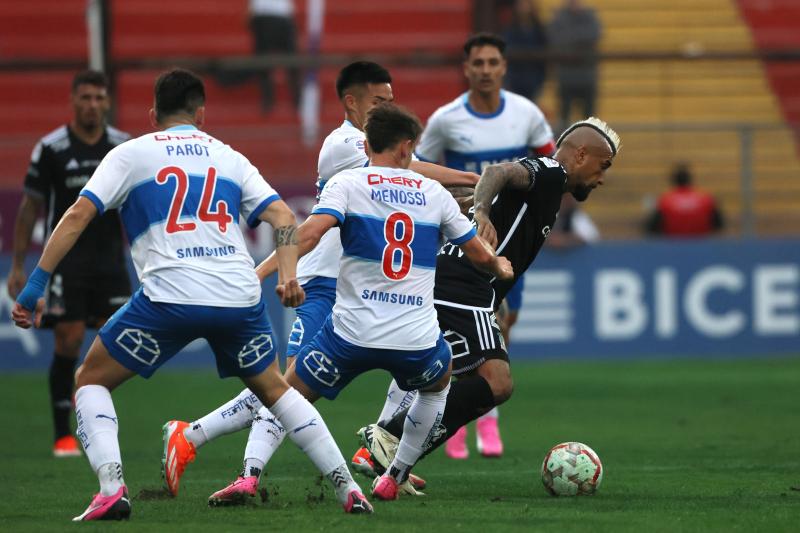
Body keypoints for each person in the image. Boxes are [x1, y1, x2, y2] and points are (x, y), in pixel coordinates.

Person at [11, 68, 372, 520]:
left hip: (169, 297)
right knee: (279, 392)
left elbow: (78, 214)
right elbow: (283, 216)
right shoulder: (229, 157)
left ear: (153, 114)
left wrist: (37, 282)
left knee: (89, 379)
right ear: (201, 113)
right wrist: (287, 274)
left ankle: (111, 489)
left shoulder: (131, 153)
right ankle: (348, 490)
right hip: (239, 299)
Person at [159, 61, 479, 504]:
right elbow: (416, 171)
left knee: (322, 384)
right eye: (379, 101)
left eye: (391, 100)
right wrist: (478, 180)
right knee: (287, 389)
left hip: (356, 288)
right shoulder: (344, 143)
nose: (388, 107)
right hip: (320, 286)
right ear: (352, 102)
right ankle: (204, 444)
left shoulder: (374, 152)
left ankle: (378, 456)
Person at [356, 117, 621, 484]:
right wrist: (480, 210)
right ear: (580, 154)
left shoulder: (545, 192)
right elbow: (497, 171)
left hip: (462, 285)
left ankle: (386, 460)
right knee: (497, 382)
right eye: (603, 165)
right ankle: (390, 439)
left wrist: (476, 205)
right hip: (467, 284)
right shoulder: (549, 171)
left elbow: (488, 192)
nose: (602, 176)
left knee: (438, 376)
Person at [411, 32, 556, 459]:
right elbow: (418, 170)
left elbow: (551, 167)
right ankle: (454, 418)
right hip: (462, 240)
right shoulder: (445, 120)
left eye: (494, 62)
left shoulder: (526, 114)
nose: (486, 70)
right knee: (459, 333)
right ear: (466, 68)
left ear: (504, 67)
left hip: (509, 243)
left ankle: (484, 418)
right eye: (479, 63)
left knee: (500, 328)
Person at [6, 70, 131, 458]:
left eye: (99, 98)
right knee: (70, 337)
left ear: (107, 102)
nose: (92, 105)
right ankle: (63, 434)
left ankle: (97, 421)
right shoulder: (51, 148)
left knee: (117, 343)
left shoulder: (122, 146)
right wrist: (18, 266)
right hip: (67, 263)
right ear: (73, 101)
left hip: (111, 260)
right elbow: (30, 208)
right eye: (86, 98)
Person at [547, 0, 602, 129]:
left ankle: (589, 147)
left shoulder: (590, 16)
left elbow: (595, 34)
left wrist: (570, 40)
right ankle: (564, 147)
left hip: (587, 78)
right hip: (566, 78)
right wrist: (581, 41)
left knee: (590, 121)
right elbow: (555, 39)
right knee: (563, 120)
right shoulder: (559, 18)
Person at [645, 163, 724, 236]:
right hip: (701, 245)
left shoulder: (665, 201)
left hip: (672, 246)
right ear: (690, 180)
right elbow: (719, 224)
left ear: (674, 181)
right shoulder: (706, 200)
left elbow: (652, 227)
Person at [249, 0, 300, 111]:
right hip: (279, 14)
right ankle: (297, 98)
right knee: (290, 59)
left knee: (264, 58)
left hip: (265, 14)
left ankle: (269, 99)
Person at [501, 0, 549, 101]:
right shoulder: (510, 29)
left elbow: (544, 51)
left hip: (534, 77)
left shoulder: (539, 29)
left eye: (526, 4)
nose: (524, 8)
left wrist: (540, 77)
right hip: (515, 78)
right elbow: (507, 49)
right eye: (521, 5)